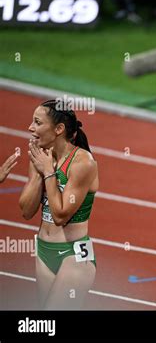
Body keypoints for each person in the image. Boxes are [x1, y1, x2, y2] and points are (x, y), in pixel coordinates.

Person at [19, 99, 98, 309]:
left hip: (74, 254)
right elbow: (26, 211)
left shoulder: (83, 163)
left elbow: (61, 215)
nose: (30, 128)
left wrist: (48, 172)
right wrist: (38, 173)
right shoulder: (41, 157)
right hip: (44, 251)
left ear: (58, 129)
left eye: (37, 122)